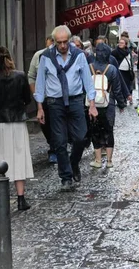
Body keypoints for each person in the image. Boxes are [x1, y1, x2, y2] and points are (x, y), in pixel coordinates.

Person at [34, 25, 98, 191]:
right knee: (60, 142)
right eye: (59, 42)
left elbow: (87, 80)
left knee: (81, 137)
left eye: (65, 42)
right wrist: (40, 107)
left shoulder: (78, 56)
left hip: (76, 100)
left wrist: (92, 104)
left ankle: (73, 163)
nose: (62, 46)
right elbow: (40, 82)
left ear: (69, 40)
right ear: (54, 41)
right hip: (55, 103)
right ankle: (66, 177)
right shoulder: (46, 57)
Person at [0, 47, 34, 211]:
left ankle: (0, 200)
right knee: (19, 158)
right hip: (17, 121)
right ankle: (20, 199)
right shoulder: (20, 76)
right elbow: (27, 99)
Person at [87, 43, 127, 169]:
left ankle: (98, 160)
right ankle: (109, 161)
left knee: (95, 131)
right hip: (108, 104)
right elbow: (117, 89)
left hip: (92, 104)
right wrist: (121, 104)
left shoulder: (89, 68)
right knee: (109, 131)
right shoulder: (112, 69)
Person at [27, 35, 56, 163]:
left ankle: (56, 149)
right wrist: (36, 94)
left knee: (59, 123)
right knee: (46, 124)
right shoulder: (38, 56)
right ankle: (53, 145)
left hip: (58, 96)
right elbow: (31, 76)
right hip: (43, 97)